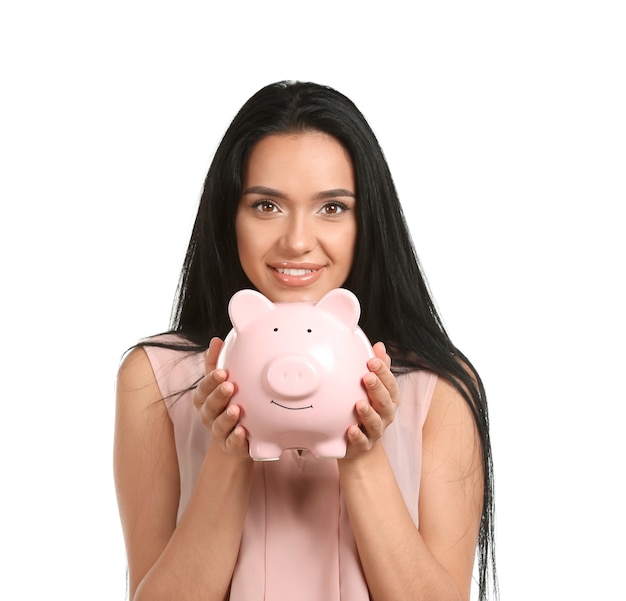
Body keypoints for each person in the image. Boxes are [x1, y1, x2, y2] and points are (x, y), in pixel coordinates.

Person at [114, 80, 497, 601]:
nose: (296, 241)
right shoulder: (155, 379)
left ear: (369, 221)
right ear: (229, 217)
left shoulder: (439, 387)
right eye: (266, 206)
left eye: (332, 208)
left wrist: (361, 455)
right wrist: (228, 454)